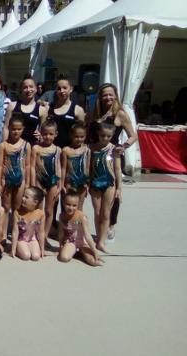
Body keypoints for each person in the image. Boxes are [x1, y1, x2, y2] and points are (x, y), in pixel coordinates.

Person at [89, 83, 136, 241]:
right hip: (96, 158)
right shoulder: (95, 114)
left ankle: (111, 225)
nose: (108, 97)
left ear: (115, 95)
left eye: (110, 94)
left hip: (113, 157)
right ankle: (100, 226)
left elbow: (133, 136)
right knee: (97, 193)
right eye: (104, 95)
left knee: (113, 193)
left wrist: (123, 146)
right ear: (100, 97)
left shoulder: (120, 114)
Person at [89, 123, 122, 253]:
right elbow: (88, 167)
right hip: (95, 183)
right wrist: (87, 184)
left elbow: (118, 169)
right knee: (97, 212)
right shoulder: (91, 148)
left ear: (113, 135)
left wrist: (119, 188)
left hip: (109, 183)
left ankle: (102, 241)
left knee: (106, 212)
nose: (105, 138)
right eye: (103, 135)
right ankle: (98, 237)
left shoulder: (114, 149)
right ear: (98, 133)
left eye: (108, 136)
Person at [0, 114, 30, 234]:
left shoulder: (26, 145)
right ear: (9, 128)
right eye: (13, 129)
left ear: (23, 129)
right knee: (6, 207)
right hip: (7, 179)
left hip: (21, 180)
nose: (16, 131)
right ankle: (3, 233)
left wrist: (27, 183)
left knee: (18, 207)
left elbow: (27, 165)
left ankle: (16, 232)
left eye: (19, 129)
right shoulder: (3, 145)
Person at [30, 120, 62, 239]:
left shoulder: (58, 150)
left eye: (50, 134)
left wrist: (59, 184)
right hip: (39, 182)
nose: (47, 137)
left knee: (49, 211)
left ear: (56, 134)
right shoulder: (36, 148)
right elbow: (32, 167)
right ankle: (35, 233)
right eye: (45, 134)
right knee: (38, 210)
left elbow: (58, 167)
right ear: (41, 133)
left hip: (52, 183)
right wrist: (33, 184)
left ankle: (44, 236)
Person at [58, 189, 102, 266]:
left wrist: (95, 251)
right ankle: (75, 251)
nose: (71, 208)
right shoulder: (62, 216)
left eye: (74, 205)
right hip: (71, 241)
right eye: (68, 204)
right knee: (63, 258)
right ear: (63, 203)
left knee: (93, 262)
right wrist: (61, 244)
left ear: (78, 205)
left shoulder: (81, 217)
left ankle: (82, 252)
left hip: (82, 242)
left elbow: (87, 235)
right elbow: (61, 232)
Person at [3, 75, 48, 146]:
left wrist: (40, 136)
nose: (28, 89)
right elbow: (6, 128)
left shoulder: (41, 110)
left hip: (31, 147)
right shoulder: (12, 106)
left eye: (31, 86)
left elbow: (43, 132)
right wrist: (4, 145)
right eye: (25, 87)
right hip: (12, 146)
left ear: (36, 89)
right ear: (21, 90)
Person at [48, 76, 85, 148]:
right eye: (59, 88)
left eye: (65, 88)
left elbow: (81, 133)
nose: (62, 91)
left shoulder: (78, 110)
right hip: (52, 149)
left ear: (71, 89)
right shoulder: (49, 108)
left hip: (70, 150)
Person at [10, 187, 45, 261]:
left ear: (35, 202)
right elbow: (15, 231)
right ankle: (19, 248)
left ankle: (29, 247)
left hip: (32, 239)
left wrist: (42, 248)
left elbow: (41, 232)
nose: (23, 198)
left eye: (26, 197)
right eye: (23, 196)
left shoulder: (40, 214)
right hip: (21, 239)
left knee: (36, 257)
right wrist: (13, 249)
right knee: (26, 256)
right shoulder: (17, 213)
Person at [60, 122, 90, 209]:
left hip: (82, 183)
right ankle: (65, 223)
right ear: (71, 136)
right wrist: (62, 184)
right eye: (76, 136)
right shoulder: (66, 150)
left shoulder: (86, 150)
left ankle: (78, 222)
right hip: (70, 183)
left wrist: (88, 183)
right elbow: (63, 168)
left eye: (82, 137)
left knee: (79, 208)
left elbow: (87, 167)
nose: (79, 139)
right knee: (67, 207)